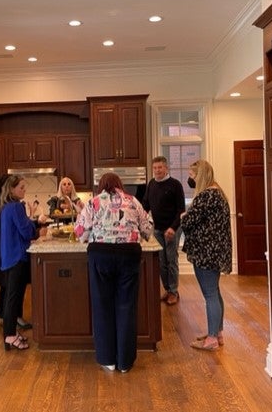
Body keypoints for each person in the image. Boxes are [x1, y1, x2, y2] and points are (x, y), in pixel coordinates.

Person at [74, 172, 153, 372]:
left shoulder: (93, 202)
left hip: (101, 255)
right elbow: (147, 231)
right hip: (129, 255)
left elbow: (80, 234)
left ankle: (107, 358)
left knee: (102, 305)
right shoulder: (133, 201)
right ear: (120, 184)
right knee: (127, 306)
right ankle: (125, 362)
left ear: (101, 185)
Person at [180, 159, 232, 351]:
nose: (189, 179)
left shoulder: (206, 196)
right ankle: (217, 332)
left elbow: (189, 221)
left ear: (200, 176)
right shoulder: (218, 193)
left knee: (210, 293)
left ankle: (211, 338)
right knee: (215, 292)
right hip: (216, 250)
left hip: (206, 252)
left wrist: (184, 217)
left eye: (192, 175)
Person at [0, 175, 47, 350]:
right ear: (11, 190)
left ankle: (10, 333)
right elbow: (26, 231)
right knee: (14, 298)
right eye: (21, 187)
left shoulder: (6, 208)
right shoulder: (17, 207)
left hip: (9, 256)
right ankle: (9, 336)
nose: (24, 190)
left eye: (24, 187)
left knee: (13, 297)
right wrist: (38, 232)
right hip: (17, 256)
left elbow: (21, 227)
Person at [142, 156, 185, 305]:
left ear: (166, 168)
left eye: (160, 167)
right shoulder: (152, 184)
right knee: (161, 261)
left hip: (172, 228)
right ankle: (167, 289)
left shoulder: (175, 185)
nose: (157, 170)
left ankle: (173, 291)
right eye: (155, 168)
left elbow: (181, 210)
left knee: (171, 260)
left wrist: (173, 228)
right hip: (158, 229)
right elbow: (146, 205)